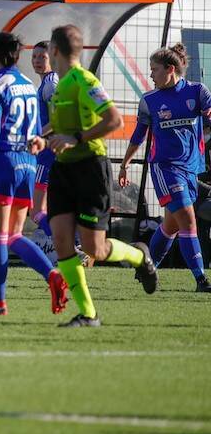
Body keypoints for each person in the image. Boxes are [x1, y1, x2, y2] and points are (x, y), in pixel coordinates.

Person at [28, 24, 158, 328]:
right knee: (61, 240)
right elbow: (59, 128)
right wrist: (42, 139)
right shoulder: (58, 85)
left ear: (54, 52)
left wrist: (77, 137)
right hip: (63, 169)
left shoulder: (84, 81)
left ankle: (140, 257)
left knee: (93, 248)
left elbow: (113, 120)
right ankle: (88, 314)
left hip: (90, 169)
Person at [0, 33, 67, 316]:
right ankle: (52, 275)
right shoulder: (27, 85)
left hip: (3, 163)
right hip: (27, 164)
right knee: (13, 234)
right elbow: (38, 128)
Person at [118, 43, 211, 293]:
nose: (150, 75)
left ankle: (147, 268)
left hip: (191, 168)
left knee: (170, 226)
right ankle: (201, 280)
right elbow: (138, 136)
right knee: (188, 222)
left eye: (154, 70)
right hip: (164, 168)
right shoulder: (149, 100)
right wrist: (125, 164)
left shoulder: (198, 92)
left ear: (170, 69)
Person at [30, 41, 59, 254]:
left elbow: (58, 119)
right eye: (35, 57)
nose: (38, 61)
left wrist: (37, 136)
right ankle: (60, 245)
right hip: (49, 153)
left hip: (48, 154)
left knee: (36, 210)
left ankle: (65, 245)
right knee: (46, 209)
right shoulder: (45, 83)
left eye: (43, 57)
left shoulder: (51, 83)